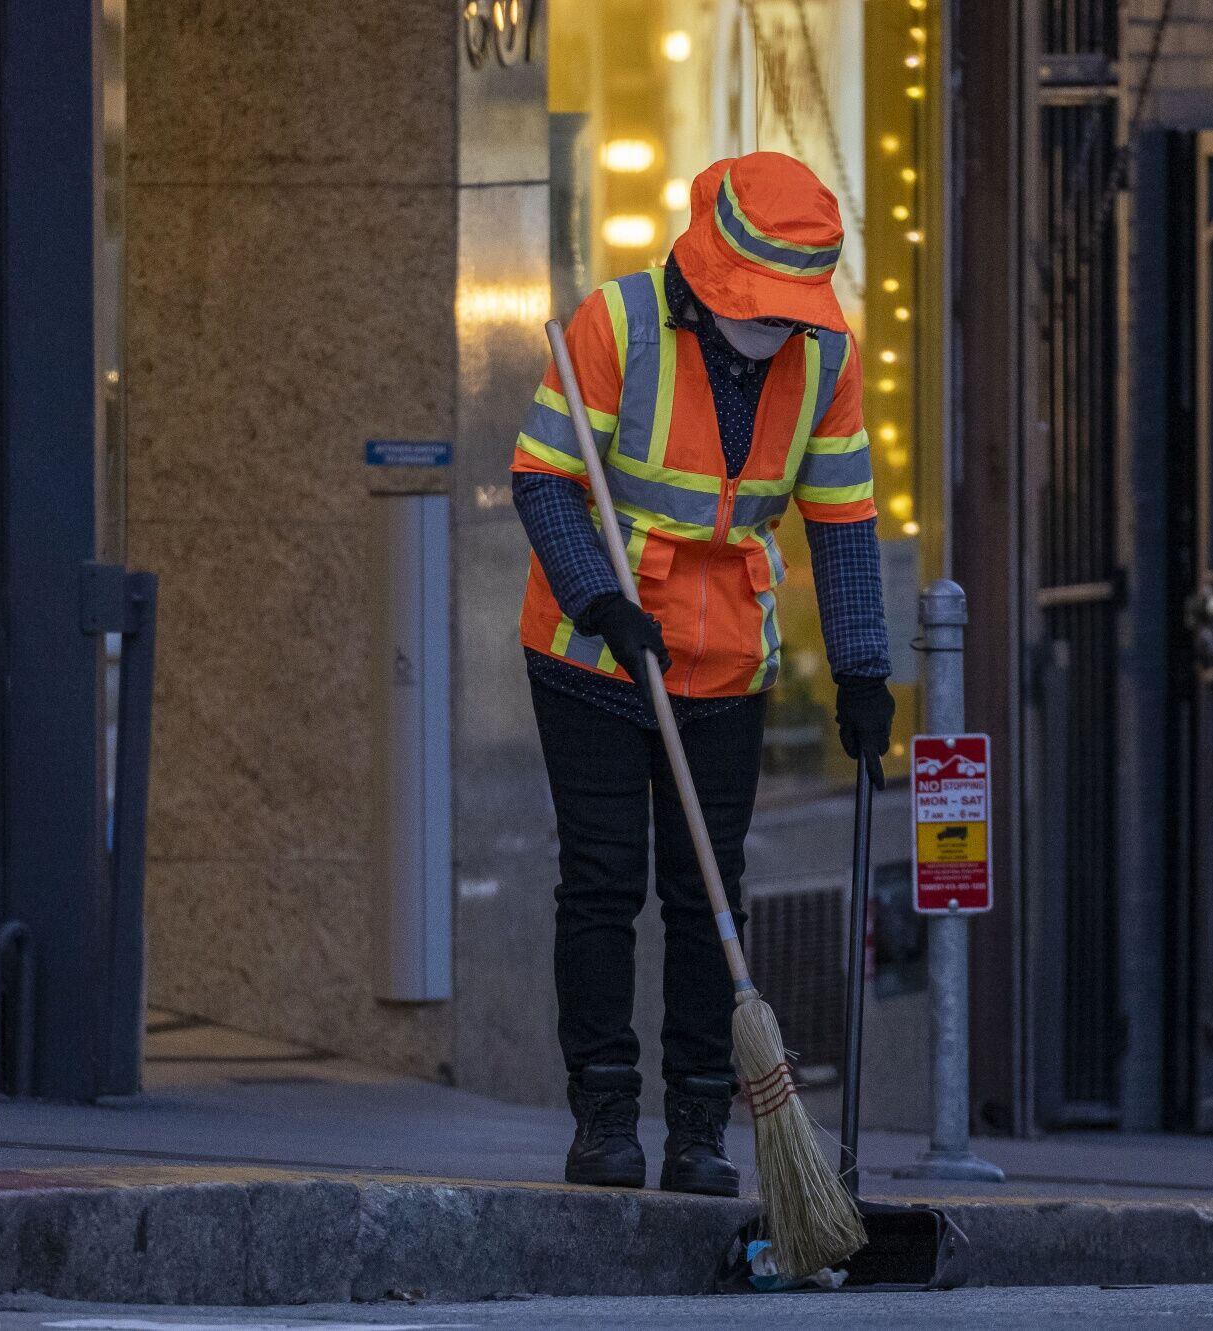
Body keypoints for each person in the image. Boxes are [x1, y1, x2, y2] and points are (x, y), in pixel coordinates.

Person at [509, 152, 894, 1196]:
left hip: (726, 658)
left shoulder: (821, 356)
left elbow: (844, 520)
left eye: (790, 312)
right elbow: (542, 482)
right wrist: (601, 597)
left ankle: (696, 1127)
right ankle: (601, 1116)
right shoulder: (616, 325)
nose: (775, 329)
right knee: (599, 880)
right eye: (760, 310)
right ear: (714, 277)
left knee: (708, 892)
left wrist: (863, 667)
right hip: (594, 649)